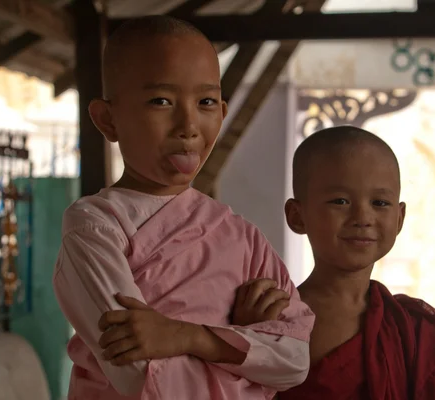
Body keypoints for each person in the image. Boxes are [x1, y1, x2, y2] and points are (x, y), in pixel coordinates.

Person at [52, 15, 314, 400]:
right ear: (108, 120)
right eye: (161, 101)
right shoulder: (96, 228)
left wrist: (194, 338)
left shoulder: (242, 237)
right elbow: (142, 379)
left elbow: (294, 361)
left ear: (222, 114)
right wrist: (244, 347)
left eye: (206, 102)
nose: (188, 125)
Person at [234, 126, 435, 399]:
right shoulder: (270, 313)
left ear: (399, 218)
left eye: (380, 203)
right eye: (341, 201)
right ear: (297, 216)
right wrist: (245, 343)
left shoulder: (417, 331)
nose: (362, 217)